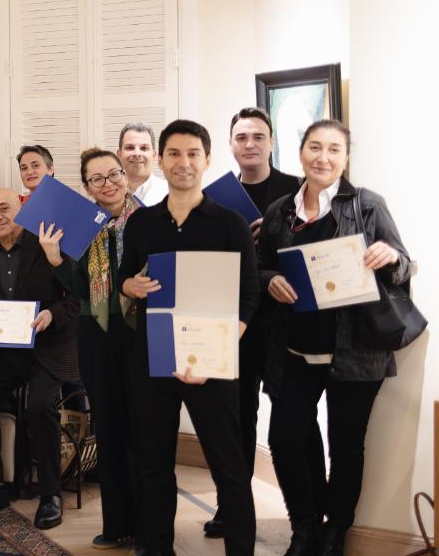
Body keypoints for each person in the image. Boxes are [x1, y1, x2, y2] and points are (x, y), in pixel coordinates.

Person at [258, 120, 415, 556]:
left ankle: (335, 533)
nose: (322, 158)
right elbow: (260, 266)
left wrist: (392, 256)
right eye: (314, 147)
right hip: (293, 350)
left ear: (346, 158)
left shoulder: (367, 205)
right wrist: (270, 279)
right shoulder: (279, 211)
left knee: (346, 448)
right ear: (300, 152)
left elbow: (405, 267)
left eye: (333, 150)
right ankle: (304, 528)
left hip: (355, 351)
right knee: (287, 441)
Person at [118, 119, 259, 556]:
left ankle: (240, 549)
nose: (184, 163)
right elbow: (125, 277)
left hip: (213, 363)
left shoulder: (230, 223)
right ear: (160, 160)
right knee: (154, 462)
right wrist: (130, 287)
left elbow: (249, 294)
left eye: (193, 154)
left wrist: (217, 351)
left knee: (229, 466)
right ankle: (156, 546)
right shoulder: (142, 223)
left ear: (207, 160)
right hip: (155, 359)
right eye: (174, 154)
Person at [201, 107, 311, 541]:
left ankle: (306, 515)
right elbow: (208, 262)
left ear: (271, 142)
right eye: (242, 137)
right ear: (230, 144)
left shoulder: (296, 190)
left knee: (295, 423)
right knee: (236, 417)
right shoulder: (213, 198)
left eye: (258, 137)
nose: (250, 144)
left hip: (287, 322)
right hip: (238, 321)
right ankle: (233, 507)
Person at [38, 149, 138, 548]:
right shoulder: (84, 225)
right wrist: (54, 257)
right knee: (110, 429)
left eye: (113, 174)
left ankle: (149, 525)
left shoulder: (149, 218)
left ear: (125, 176)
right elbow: (80, 289)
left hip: (140, 333)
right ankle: (117, 525)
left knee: (143, 431)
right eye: (97, 179)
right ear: (86, 188)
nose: (108, 183)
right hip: (96, 334)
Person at [0, 188, 79, 529]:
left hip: (48, 348)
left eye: (4, 208)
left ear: (21, 209)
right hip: (4, 352)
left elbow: (76, 299)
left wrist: (51, 317)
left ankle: (49, 494)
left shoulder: (46, 244)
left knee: (41, 405)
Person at [119, 122, 168, 205]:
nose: (137, 153)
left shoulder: (170, 193)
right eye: (130, 148)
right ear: (119, 154)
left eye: (144, 148)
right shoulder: (109, 192)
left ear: (154, 154)